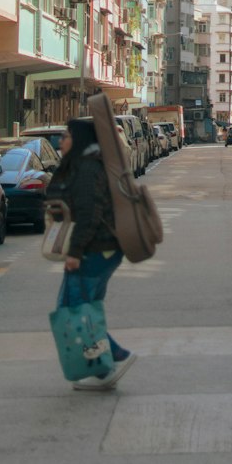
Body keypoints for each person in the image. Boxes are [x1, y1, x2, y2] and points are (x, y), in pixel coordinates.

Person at [46, 117, 137, 391]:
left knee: (72, 309)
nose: (61, 141)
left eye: (66, 136)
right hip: (103, 250)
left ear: (80, 140)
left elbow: (89, 214)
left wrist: (75, 253)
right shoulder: (86, 165)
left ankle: (114, 359)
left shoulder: (87, 169)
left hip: (95, 250)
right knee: (83, 309)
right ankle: (101, 368)